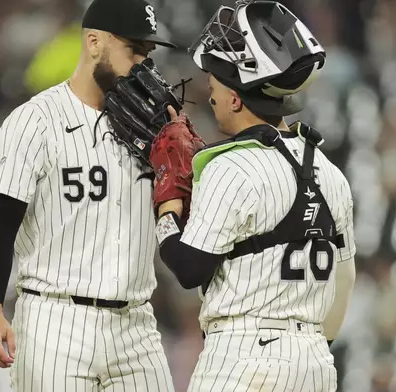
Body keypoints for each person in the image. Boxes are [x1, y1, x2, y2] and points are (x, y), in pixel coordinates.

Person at [150, 1, 356, 391]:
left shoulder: (231, 168)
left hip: (245, 358)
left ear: (236, 98)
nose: (210, 95)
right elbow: (344, 282)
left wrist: (167, 206)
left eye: (214, 86)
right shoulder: (332, 174)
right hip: (315, 362)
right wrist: (309, 344)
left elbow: (189, 268)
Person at [0, 0, 177, 390]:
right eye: (133, 49)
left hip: (136, 324)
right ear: (95, 42)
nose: (142, 65)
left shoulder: (152, 129)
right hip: (56, 320)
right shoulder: (35, 121)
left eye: (147, 54)